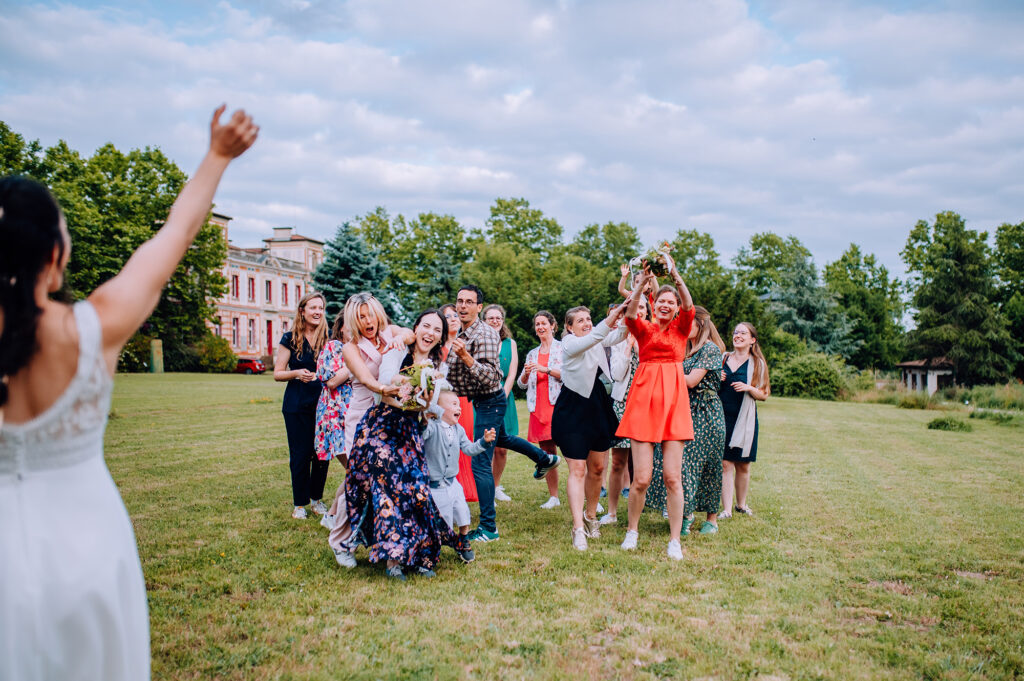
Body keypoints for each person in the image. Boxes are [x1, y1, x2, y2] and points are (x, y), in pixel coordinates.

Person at [0, 105, 257, 680]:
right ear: (54, 255)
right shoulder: (92, 329)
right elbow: (177, 232)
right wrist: (217, 155)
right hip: (86, 548)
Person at [341, 309, 460, 580]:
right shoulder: (396, 351)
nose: (430, 333)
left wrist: (425, 399)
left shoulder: (438, 368)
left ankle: (419, 554)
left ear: (441, 338)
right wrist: (410, 390)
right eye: (426, 326)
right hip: (381, 428)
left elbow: (426, 407)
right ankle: (393, 561)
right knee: (388, 493)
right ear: (415, 328)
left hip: (409, 431)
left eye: (437, 330)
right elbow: (384, 390)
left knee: (417, 491)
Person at [446, 285, 561, 542]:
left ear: (479, 308)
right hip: (483, 401)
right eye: (459, 301)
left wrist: (465, 357)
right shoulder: (464, 332)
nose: (462, 306)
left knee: (480, 462)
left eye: (469, 302)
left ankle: (488, 527)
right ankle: (545, 458)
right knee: (504, 439)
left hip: (490, 401)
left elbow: (490, 376)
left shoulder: (485, 334)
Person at [616, 258, 695, 560]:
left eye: (670, 302)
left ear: (675, 309)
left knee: (673, 477)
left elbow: (689, 303)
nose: (666, 305)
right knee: (642, 478)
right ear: (654, 304)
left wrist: (674, 273)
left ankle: (675, 539)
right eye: (661, 301)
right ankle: (631, 530)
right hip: (644, 403)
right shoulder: (644, 329)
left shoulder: (682, 329)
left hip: (673, 404)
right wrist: (638, 285)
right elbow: (631, 311)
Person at [326, 292, 412, 567]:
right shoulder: (351, 348)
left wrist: (402, 338)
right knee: (358, 482)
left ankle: (383, 540)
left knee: (384, 482)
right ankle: (339, 543)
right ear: (354, 320)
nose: (367, 321)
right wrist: (387, 389)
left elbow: (411, 332)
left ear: (378, 314)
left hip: (387, 418)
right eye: (360, 317)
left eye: (370, 315)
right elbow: (366, 379)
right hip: (361, 418)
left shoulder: (389, 331)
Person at [551, 304, 628, 550]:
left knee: (597, 468)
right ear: (569, 327)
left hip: (597, 405)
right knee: (577, 470)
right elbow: (599, 333)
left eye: (588, 318)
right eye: (580, 320)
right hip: (572, 409)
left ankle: (591, 515)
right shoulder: (569, 343)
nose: (586, 323)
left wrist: (631, 304)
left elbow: (622, 333)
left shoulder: (596, 339)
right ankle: (577, 528)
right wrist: (612, 316)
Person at [422, 389, 496, 563]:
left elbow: (469, 449)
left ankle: (463, 540)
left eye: (459, 404)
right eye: (453, 404)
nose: (459, 407)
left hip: (453, 482)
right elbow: (422, 433)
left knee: (463, 512)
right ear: (438, 408)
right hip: (434, 485)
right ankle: (432, 549)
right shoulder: (432, 427)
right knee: (442, 520)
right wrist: (426, 416)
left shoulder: (458, 429)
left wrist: (483, 442)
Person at [274, 291, 329, 520]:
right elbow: (278, 373)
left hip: (324, 405)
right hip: (296, 405)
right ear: (302, 311)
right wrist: (296, 373)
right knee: (300, 454)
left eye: (320, 308)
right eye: (313, 308)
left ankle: (316, 500)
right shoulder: (290, 338)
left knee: (321, 454)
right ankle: (299, 504)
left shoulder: (329, 337)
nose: (317, 312)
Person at [601, 296, 650, 525]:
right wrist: (629, 347)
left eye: (642, 307)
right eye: (634, 307)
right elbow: (617, 374)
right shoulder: (621, 337)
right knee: (618, 461)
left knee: (647, 462)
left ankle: (645, 506)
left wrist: (639, 343)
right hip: (622, 402)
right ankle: (611, 511)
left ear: (647, 311)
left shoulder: (652, 333)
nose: (638, 311)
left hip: (647, 403)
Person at [680, 306, 727, 535]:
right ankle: (686, 514)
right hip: (687, 410)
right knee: (685, 463)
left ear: (700, 324)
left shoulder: (710, 349)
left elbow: (691, 381)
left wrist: (665, 365)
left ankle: (712, 519)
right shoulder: (686, 349)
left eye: (687, 322)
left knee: (710, 464)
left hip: (707, 412)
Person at [720, 322, 771, 518]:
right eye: (735, 332)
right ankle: (725, 509)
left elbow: (764, 394)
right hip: (722, 416)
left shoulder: (758, 364)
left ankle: (741, 505)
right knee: (725, 464)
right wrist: (718, 377)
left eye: (743, 333)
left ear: (752, 340)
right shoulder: (723, 358)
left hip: (745, 418)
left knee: (743, 464)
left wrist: (749, 388)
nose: (738, 335)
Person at [517, 310, 563, 509]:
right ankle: (554, 497)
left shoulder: (563, 349)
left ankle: (588, 495)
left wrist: (545, 369)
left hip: (559, 406)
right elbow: (521, 384)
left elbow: (568, 375)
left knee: (571, 453)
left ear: (553, 325)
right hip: (538, 407)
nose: (540, 327)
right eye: (537, 324)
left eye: (544, 323)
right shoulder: (532, 353)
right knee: (548, 455)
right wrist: (526, 375)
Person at [315, 313, 353, 530]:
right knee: (355, 468)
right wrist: (355, 364)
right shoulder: (334, 347)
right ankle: (332, 515)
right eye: (351, 326)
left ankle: (335, 515)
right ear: (340, 328)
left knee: (356, 469)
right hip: (335, 417)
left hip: (352, 416)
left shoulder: (359, 349)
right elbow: (331, 382)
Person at [440, 302, 477, 503]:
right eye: (448, 316)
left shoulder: (466, 345)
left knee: (465, 442)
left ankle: (466, 491)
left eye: (455, 315)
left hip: (464, 400)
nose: (454, 318)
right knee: (447, 443)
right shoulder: (437, 349)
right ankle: (448, 491)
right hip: (444, 402)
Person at [482, 304, 518, 502]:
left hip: (505, 396)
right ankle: (484, 488)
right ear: (484, 321)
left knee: (502, 447)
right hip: (483, 396)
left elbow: (512, 372)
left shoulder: (509, 343)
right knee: (485, 444)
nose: (495, 321)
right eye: (491, 318)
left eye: (498, 318)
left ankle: (496, 486)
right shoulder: (478, 340)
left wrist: (503, 395)